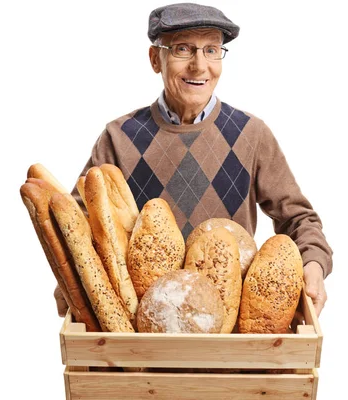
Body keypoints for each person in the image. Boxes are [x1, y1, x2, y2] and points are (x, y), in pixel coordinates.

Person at [55, 3, 333, 318]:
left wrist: (313, 263)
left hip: (231, 331)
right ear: (154, 59)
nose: (200, 66)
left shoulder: (251, 135)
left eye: (212, 50)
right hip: (145, 326)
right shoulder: (120, 137)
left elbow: (299, 219)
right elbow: (75, 226)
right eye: (183, 49)